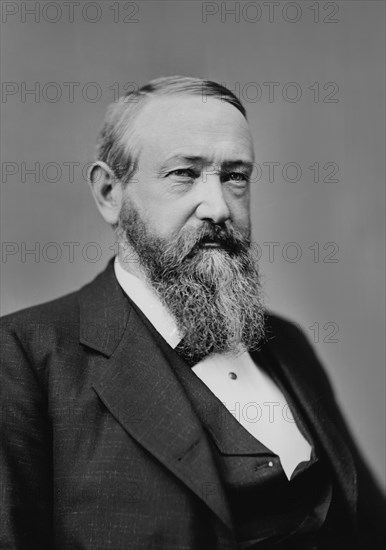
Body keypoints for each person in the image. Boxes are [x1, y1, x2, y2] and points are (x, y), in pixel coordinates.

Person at [0, 76, 384, 550]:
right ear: (108, 193)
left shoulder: (286, 341)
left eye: (235, 176)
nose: (218, 207)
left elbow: (368, 521)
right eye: (184, 173)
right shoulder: (24, 357)